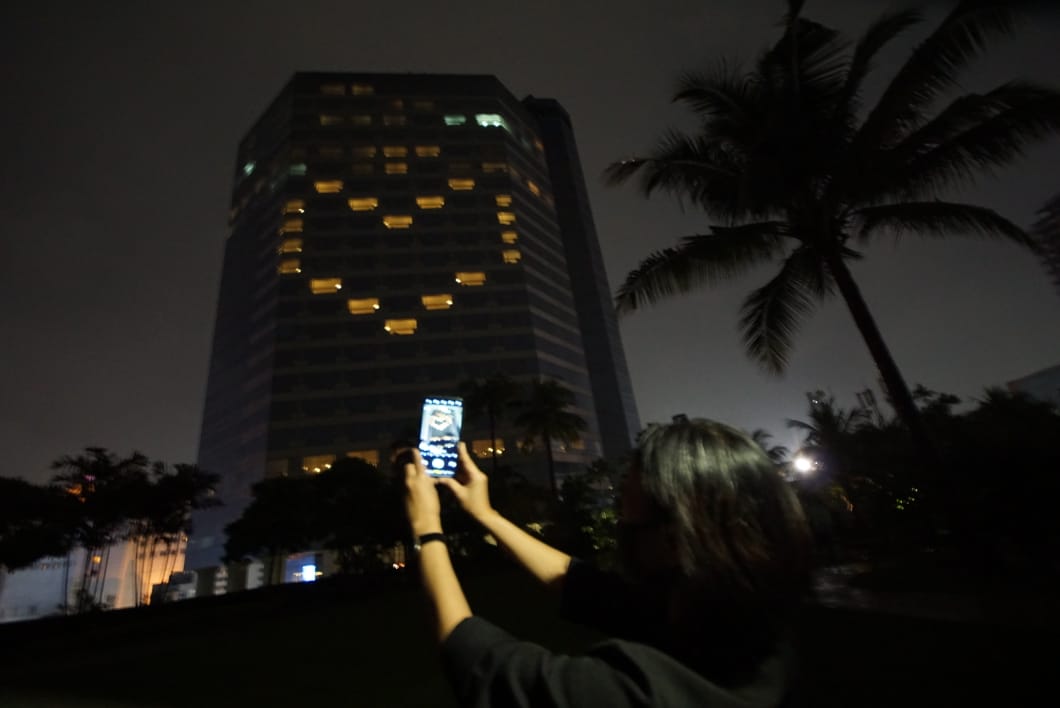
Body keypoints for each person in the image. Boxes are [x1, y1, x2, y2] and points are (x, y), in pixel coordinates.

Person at [403, 416, 812, 707]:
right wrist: (486, 515)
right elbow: (582, 585)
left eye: (627, 513)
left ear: (675, 537)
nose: (620, 522)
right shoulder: (746, 631)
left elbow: (479, 662)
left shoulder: (630, 691)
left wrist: (427, 527)